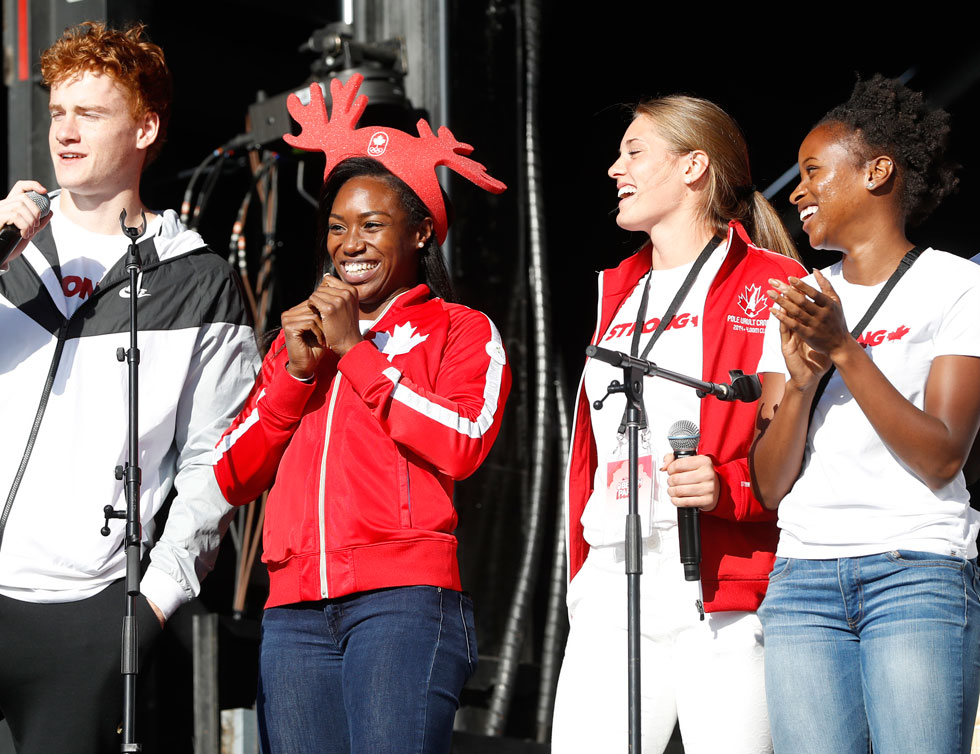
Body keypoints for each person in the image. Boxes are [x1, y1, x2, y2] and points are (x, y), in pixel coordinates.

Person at [0, 21, 258, 754]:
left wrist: (155, 602)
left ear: (145, 127)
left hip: (81, 617)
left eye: (91, 114)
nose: (65, 132)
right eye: (59, 112)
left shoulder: (199, 282)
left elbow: (216, 465)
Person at [211, 73, 510, 754]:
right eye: (338, 226)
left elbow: (463, 442)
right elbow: (232, 476)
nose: (351, 243)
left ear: (422, 231)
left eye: (373, 225)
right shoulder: (296, 342)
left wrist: (358, 356)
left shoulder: (462, 330)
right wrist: (292, 374)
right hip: (293, 612)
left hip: (402, 602)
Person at [553, 95, 804, 753]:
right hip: (612, 574)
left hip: (718, 581)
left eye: (634, 152)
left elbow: (810, 441)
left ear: (694, 167)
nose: (615, 168)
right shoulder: (619, 289)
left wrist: (731, 489)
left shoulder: (773, 283)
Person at [750, 75, 980, 754]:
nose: (797, 191)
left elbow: (941, 455)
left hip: (916, 573)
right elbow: (768, 484)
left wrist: (846, 352)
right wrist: (798, 382)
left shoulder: (957, 285)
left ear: (878, 172)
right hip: (802, 581)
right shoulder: (800, 299)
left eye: (815, 170)